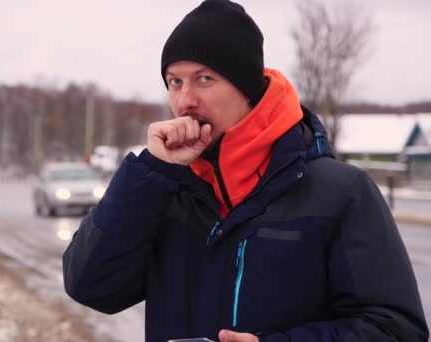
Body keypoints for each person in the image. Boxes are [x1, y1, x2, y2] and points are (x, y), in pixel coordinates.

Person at [62, 0, 429, 341]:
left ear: (247, 89)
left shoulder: (340, 192)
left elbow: (395, 328)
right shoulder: (164, 189)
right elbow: (91, 285)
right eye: (175, 81)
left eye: (204, 79)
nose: (185, 100)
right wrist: (151, 172)